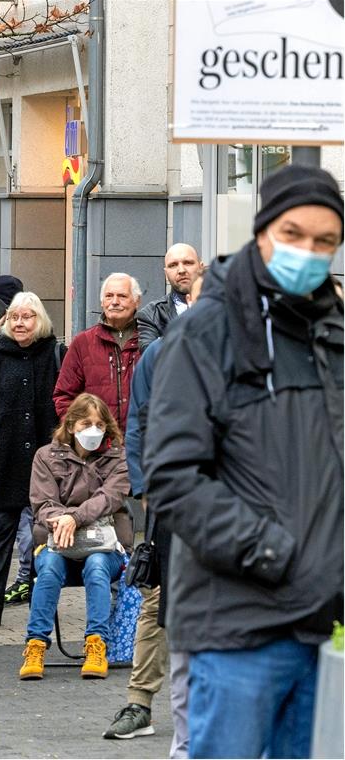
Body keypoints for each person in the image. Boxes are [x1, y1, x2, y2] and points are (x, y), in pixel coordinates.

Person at [146, 165, 343, 759]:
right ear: (261, 231)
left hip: (323, 625)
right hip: (238, 625)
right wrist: (272, 552)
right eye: (293, 233)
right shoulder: (207, 332)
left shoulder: (331, 334)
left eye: (325, 241)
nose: (308, 252)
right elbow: (173, 478)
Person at [102, 271, 205, 751]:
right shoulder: (161, 354)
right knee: (158, 599)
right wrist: (145, 488)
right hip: (170, 502)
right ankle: (140, 702)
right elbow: (137, 422)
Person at [0, 292, 62, 630]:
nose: (21, 323)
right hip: (7, 455)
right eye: (15, 317)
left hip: (45, 457)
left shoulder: (53, 352)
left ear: (40, 320)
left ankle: (42, 601)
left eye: (28, 317)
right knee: (1, 531)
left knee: (45, 532)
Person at [19, 392, 131, 681]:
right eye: (85, 424)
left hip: (106, 546)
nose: (92, 430)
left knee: (96, 565)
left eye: (99, 424)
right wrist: (62, 521)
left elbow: (110, 497)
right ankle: (35, 645)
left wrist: (74, 517)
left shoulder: (118, 457)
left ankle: (96, 644)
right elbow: (43, 503)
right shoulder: (45, 456)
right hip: (57, 541)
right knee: (50, 568)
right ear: (70, 426)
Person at [53, 273, 141, 432]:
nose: (115, 302)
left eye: (122, 296)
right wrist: (83, 432)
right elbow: (64, 396)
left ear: (137, 301)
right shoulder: (83, 343)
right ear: (102, 302)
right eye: (109, 296)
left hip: (144, 446)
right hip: (97, 449)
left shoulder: (149, 341)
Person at [136, 244, 201, 352]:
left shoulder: (225, 306)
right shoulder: (151, 314)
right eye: (173, 265)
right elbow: (151, 355)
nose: (181, 270)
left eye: (188, 263)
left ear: (201, 267)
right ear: (166, 274)